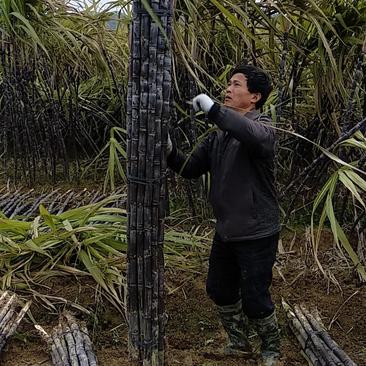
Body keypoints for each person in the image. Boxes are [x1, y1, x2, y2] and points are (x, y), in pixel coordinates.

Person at [167, 64, 281, 366]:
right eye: (228, 84)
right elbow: (190, 168)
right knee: (218, 289)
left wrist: (214, 109)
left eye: (236, 85)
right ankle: (238, 342)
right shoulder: (218, 137)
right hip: (228, 229)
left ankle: (272, 348)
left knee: (256, 297)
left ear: (254, 96)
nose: (228, 89)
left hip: (257, 231)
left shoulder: (264, 128)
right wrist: (168, 151)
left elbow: (252, 135)